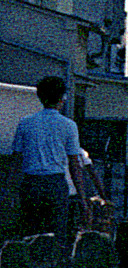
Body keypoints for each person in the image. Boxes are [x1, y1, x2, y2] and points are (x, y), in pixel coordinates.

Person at [10, 75, 102, 242]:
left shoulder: (25, 123)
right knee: (57, 233)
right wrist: (82, 197)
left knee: (30, 232)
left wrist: (10, 192)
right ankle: (53, 264)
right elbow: (75, 164)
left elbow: (16, 160)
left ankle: (32, 264)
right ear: (62, 98)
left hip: (31, 183)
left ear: (40, 96)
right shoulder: (68, 125)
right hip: (56, 184)